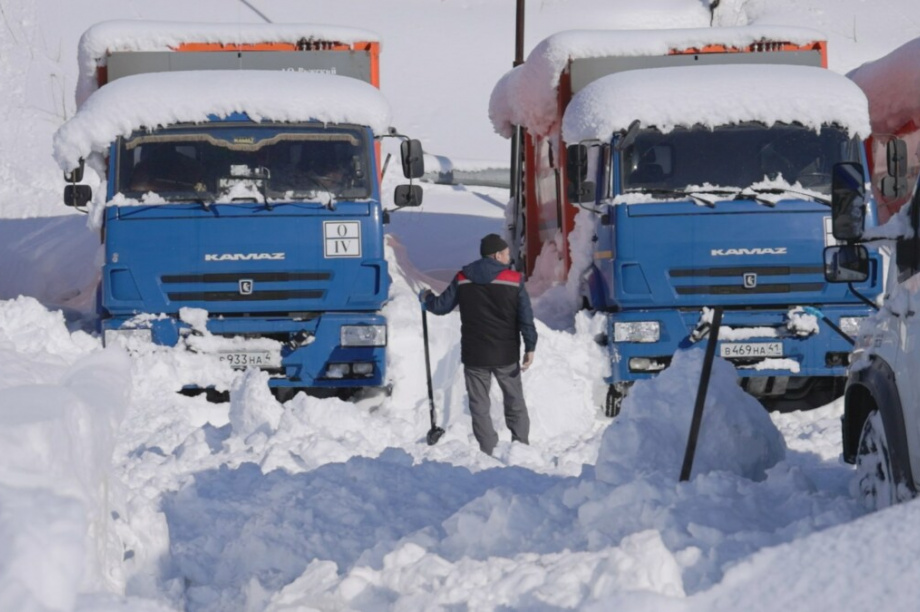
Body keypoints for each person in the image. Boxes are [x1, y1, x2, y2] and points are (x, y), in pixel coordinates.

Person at [420, 234, 537, 455]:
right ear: (496, 254)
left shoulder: (464, 277)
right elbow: (526, 318)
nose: (509, 257)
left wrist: (426, 298)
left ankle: (489, 450)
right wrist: (530, 346)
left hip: (475, 355)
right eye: (506, 253)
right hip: (506, 354)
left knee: (479, 405)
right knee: (514, 401)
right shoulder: (514, 280)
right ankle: (521, 448)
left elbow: (440, 307)